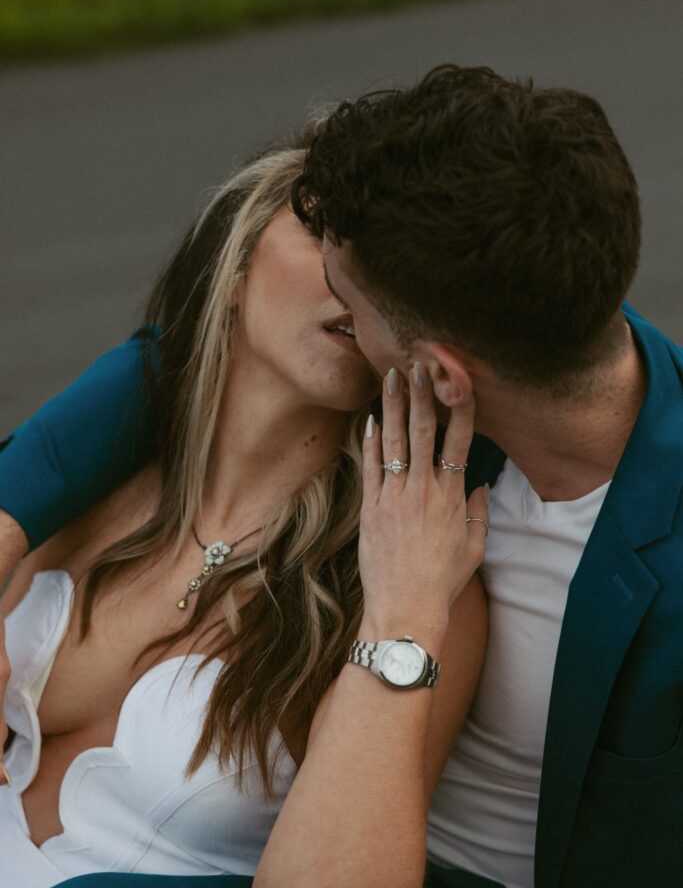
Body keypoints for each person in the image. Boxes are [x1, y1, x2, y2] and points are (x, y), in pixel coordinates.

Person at [2, 62, 680, 888]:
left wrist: (402, 617)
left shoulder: (433, 514)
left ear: (438, 374)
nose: (339, 305)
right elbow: (172, 352)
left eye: (349, 295)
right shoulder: (511, 302)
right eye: (312, 239)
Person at [0, 124, 489, 887]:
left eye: (386, 260)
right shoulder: (81, 482)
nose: (351, 271)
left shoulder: (415, 575)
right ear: (231, 264)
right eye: (323, 229)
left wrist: (403, 617)